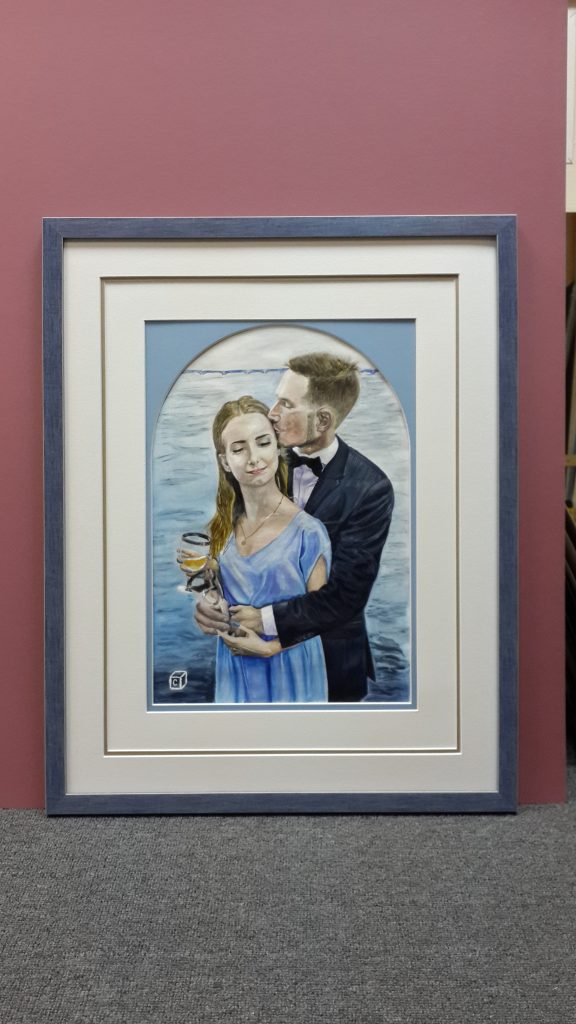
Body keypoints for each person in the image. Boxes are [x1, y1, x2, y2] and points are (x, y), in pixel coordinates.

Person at [196, 353, 410, 703]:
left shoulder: (370, 488)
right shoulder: (262, 462)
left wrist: (265, 625)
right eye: (276, 399)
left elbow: (346, 596)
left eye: (286, 404)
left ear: (323, 420)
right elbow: (238, 550)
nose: (272, 413)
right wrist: (210, 596)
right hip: (245, 662)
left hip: (328, 661)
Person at [200, 395, 332, 703]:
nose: (253, 458)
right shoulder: (221, 530)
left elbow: (321, 614)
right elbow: (217, 594)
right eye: (238, 449)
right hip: (235, 669)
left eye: (262, 443)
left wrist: (271, 647)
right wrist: (209, 604)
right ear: (225, 462)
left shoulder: (308, 531)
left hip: (290, 669)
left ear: (277, 446)